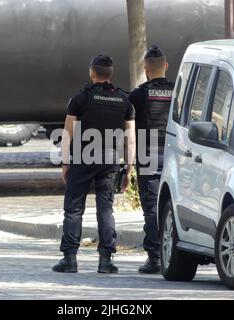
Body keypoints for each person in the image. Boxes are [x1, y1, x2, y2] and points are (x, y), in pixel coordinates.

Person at [52, 54, 136, 274]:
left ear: (92, 73)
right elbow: (131, 138)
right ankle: (106, 260)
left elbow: (67, 134)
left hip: (82, 159)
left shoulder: (80, 99)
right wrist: (129, 167)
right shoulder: (124, 100)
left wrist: (65, 162)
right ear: (111, 74)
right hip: (109, 161)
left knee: (73, 209)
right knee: (105, 210)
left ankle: (69, 259)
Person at [128, 45, 174, 274]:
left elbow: (125, 123)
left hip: (148, 156)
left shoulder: (137, 95)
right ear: (166, 66)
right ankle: (173, 254)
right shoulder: (179, 91)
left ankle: (155, 257)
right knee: (173, 205)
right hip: (175, 155)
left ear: (145, 69)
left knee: (152, 207)